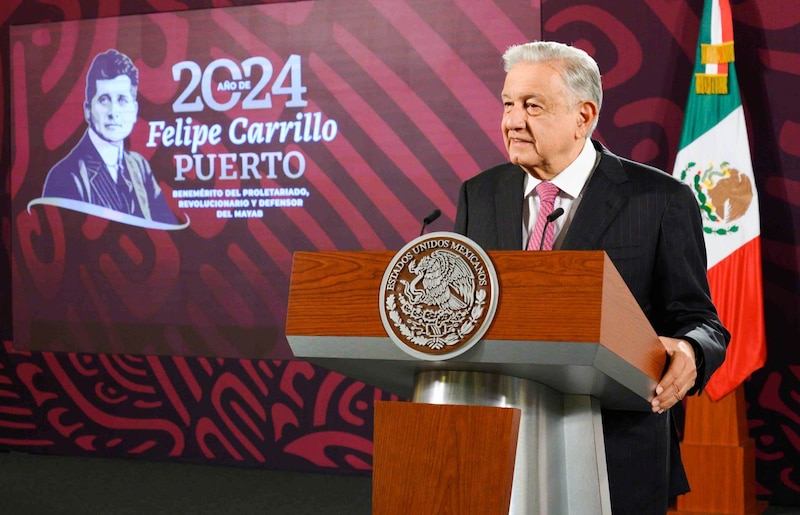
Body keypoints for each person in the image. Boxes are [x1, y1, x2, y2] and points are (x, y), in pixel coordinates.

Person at [454, 41, 729, 514]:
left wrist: (689, 350)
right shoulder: (479, 194)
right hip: (497, 448)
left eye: (532, 106)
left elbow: (701, 321)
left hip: (614, 452)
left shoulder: (660, 199)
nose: (512, 121)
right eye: (507, 104)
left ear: (583, 116)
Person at [42, 49, 177, 224]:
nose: (113, 112)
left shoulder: (140, 166)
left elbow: (168, 231)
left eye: (122, 100)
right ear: (88, 110)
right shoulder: (65, 176)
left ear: (134, 110)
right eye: (104, 100)